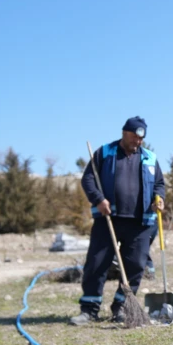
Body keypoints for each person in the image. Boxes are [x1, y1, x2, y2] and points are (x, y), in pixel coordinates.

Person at [70, 116, 166, 325]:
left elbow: (159, 184)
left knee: (136, 265)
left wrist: (159, 199)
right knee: (96, 264)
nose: (137, 142)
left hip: (140, 223)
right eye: (133, 137)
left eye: (140, 139)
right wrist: (98, 199)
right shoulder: (105, 153)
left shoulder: (150, 158)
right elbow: (88, 179)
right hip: (109, 219)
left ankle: (121, 307)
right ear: (124, 133)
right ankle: (89, 309)